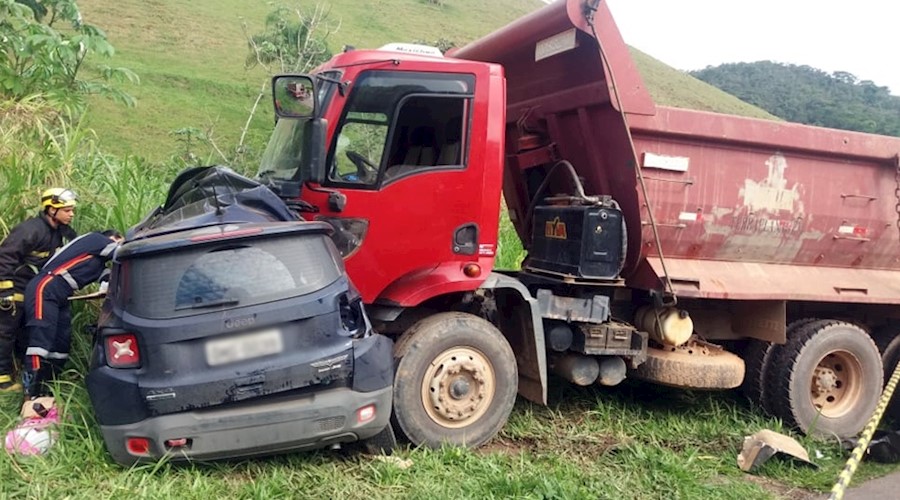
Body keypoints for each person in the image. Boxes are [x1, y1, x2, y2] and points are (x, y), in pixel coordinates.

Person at [21, 230, 123, 398]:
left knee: (61, 344)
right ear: (114, 238)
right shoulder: (97, 239)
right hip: (46, 286)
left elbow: (106, 278)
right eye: (118, 241)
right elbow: (122, 254)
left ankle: (48, 390)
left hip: (62, 294)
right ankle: (31, 393)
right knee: (41, 340)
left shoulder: (95, 262)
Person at [0, 188, 78, 392]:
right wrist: (5, 291)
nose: (71, 214)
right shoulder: (30, 230)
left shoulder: (58, 233)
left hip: (34, 293)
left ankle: (28, 374)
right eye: (67, 210)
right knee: (5, 333)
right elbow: (4, 258)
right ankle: (2, 379)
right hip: (14, 290)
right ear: (51, 210)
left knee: (27, 333)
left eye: (72, 210)